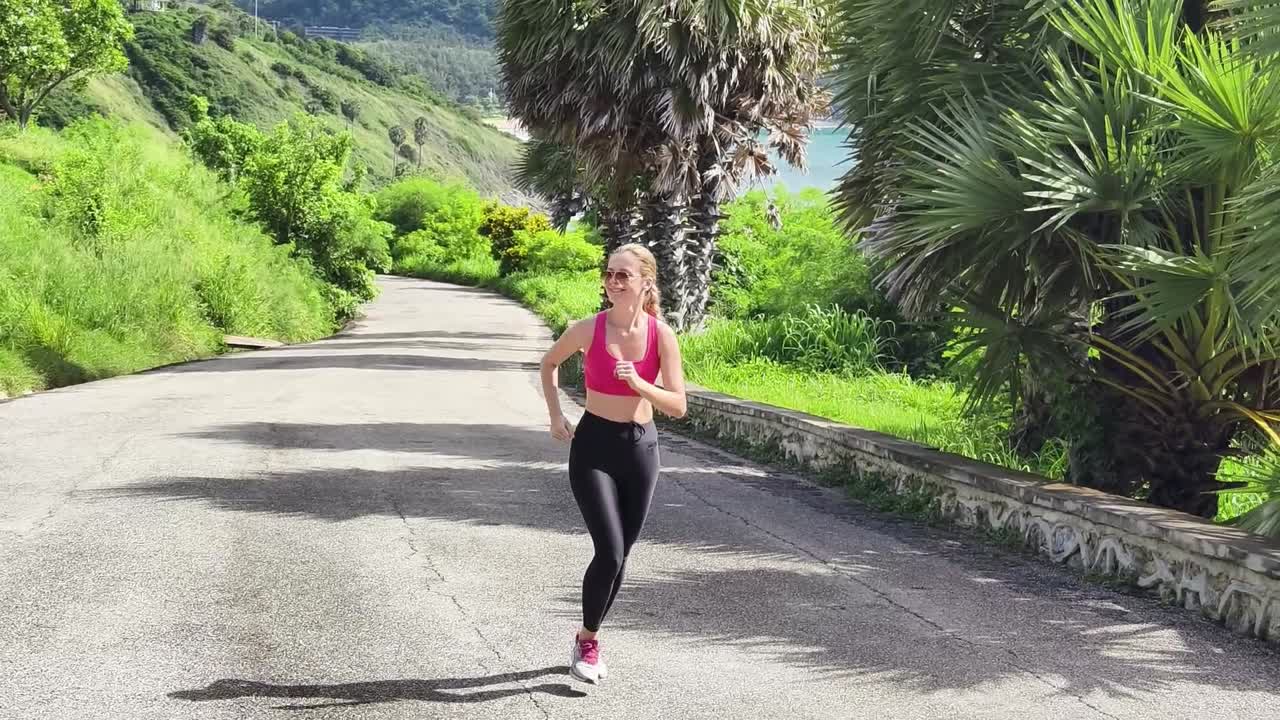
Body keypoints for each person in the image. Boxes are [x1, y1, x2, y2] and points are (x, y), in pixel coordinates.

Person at [539, 242, 688, 684]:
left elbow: (678, 405)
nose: (613, 281)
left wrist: (640, 384)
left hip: (640, 450)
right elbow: (549, 363)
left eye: (623, 275)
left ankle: (587, 635)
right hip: (593, 446)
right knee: (609, 550)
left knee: (621, 556)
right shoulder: (589, 329)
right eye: (608, 273)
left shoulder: (662, 336)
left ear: (645, 282)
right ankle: (588, 643)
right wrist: (555, 416)